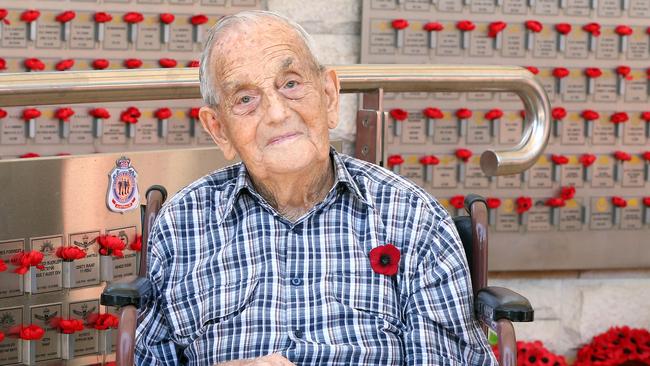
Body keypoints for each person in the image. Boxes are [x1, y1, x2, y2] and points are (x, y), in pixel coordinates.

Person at [135, 10, 497, 366]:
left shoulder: (414, 219)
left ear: (328, 95)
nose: (276, 114)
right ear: (219, 129)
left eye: (291, 83)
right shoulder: (181, 226)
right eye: (245, 99)